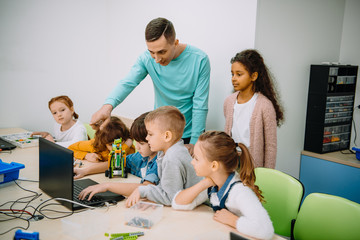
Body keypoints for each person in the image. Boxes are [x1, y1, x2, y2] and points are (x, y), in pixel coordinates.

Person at [90, 17, 210, 149]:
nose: (157, 59)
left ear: (175, 43)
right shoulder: (146, 59)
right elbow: (128, 83)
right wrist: (107, 107)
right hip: (159, 132)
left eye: (162, 52)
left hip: (189, 133)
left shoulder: (200, 60)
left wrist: (194, 143)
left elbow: (200, 105)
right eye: (152, 52)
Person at [172, 131, 274, 240]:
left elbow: (266, 230)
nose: (192, 162)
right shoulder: (213, 183)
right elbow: (178, 203)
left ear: (214, 165)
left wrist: (233, 220)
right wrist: (204, 183)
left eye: (196, 159)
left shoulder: (240, 192)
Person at [125, 106, 202, 207]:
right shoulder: (168, 151)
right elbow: (166, 187)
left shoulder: (173, 157)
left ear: (166, 136)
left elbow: (171, 198)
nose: (147, 138)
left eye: (150, 134)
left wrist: (142, 190)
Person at [223, 49, 284, 168]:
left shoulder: (265, 106)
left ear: (254, 76)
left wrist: (267, 174)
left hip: (253, 164)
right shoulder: (229, 102)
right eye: (232, 74)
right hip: (232, 161)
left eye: (239, 74)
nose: (234, 78)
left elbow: (270, 146)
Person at [78, 112, 159, 201]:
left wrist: (107, 186)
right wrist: (85, 171)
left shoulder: (159, 162)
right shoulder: (139, 157)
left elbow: (145, 188)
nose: (137, 147)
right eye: (136, 142)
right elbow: (117, 163)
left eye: (142, 143)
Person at [69, 116, 135, 179]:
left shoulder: (129, 148)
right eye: (111, 145)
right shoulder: (95, 145)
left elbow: (116, 162)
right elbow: (70, 148)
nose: (115, 148)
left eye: (119, 143)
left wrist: (125, 146)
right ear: (104, 142)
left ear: (125, 139)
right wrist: (86, 155)